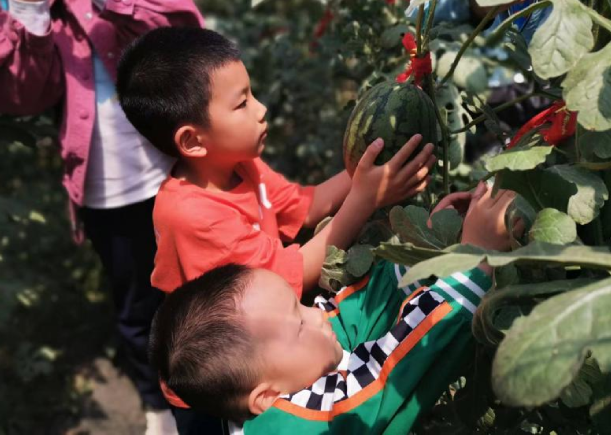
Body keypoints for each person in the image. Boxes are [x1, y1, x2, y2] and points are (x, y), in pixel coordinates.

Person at [0, 0, 204, 432]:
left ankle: (224, 394)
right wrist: (29, 0)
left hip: (184, 173)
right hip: (108, 193)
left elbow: (184, 44)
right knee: (138, 310)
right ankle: (159, 409)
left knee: (206, 290)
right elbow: (23, 93)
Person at [148, 183, 516, 434]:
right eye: (299, 324)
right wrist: (474, 261)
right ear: (266, 397)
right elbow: (391, 375)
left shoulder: (291, 366)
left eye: (298, 306)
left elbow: (353, 314)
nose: (316, 314)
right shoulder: (295, 427)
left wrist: (431, 252)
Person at [116, 26, 436, 299]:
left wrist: (371, 166)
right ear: (192, 141)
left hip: (267, 324)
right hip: (239, 361)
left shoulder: (239, 165)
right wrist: (365, 199)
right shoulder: (193, 217)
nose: (262, 109)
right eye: (242, 103)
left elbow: (309, 206)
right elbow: (289, 277)